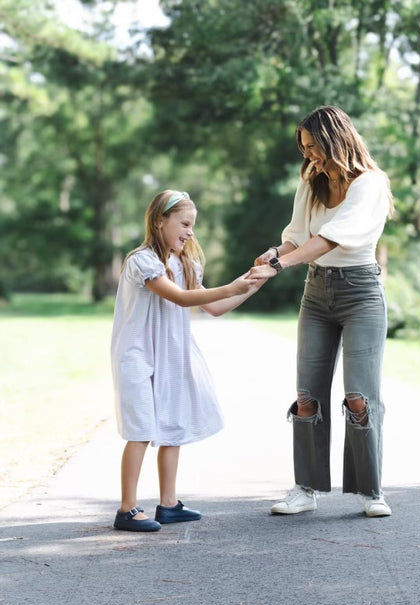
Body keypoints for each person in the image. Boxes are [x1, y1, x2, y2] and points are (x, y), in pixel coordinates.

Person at [249, 106, 394, 518]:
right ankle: (306, 487)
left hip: (361, 293)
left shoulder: (370, 184)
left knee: (359, 397)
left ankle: (371, 491)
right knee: (306, 396)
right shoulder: (310, 185)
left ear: (335, 139)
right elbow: (298, 239)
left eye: (313, 146)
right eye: (304, 147)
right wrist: (274, 254)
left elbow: (331, 238)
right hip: (317, 293)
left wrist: (282, 265)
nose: (308, 155)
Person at [111, 189, 263, 532]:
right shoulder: (142, 261)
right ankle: (127, 509)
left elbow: (214, 308)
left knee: (172, 427)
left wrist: (251, 284)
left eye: (193, 225)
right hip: (137, 355)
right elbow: (179, 298)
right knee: (140, 430)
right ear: (160, 220)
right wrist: (230, 286)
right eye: (184, 223)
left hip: (172, 354)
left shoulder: (185, 263)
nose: (190, 231)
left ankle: (168, 505)